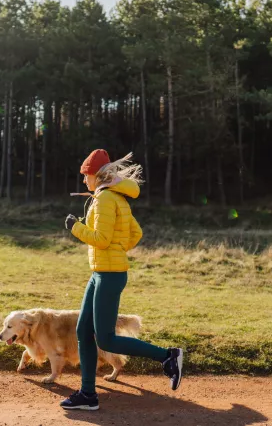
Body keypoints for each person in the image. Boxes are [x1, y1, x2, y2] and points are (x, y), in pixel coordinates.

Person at [60, 149, 183, 411]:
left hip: (109, 275)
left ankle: (168, 356)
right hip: (101, 272)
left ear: (96, 175)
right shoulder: (115, 197)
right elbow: (135, 233)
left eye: (86, 175)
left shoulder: (105, 198)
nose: (84, 181)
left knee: (105, 339)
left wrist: (75, 228)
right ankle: (87, 394)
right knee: (83, 331)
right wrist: (117, 248)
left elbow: (102, 240)